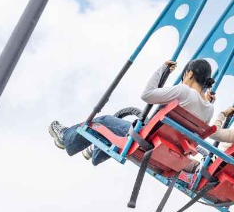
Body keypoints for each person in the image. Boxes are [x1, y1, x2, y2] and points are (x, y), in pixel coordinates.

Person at [48, 59, 216, 165]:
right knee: (124, 125)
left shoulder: (184, 91)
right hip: (171, 150)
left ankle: (66, 138)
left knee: (104, 120)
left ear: (190, 74)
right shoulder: (210, 109)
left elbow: (147, 95)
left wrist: (161, 69)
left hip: (148, 141)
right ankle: (97, 152)